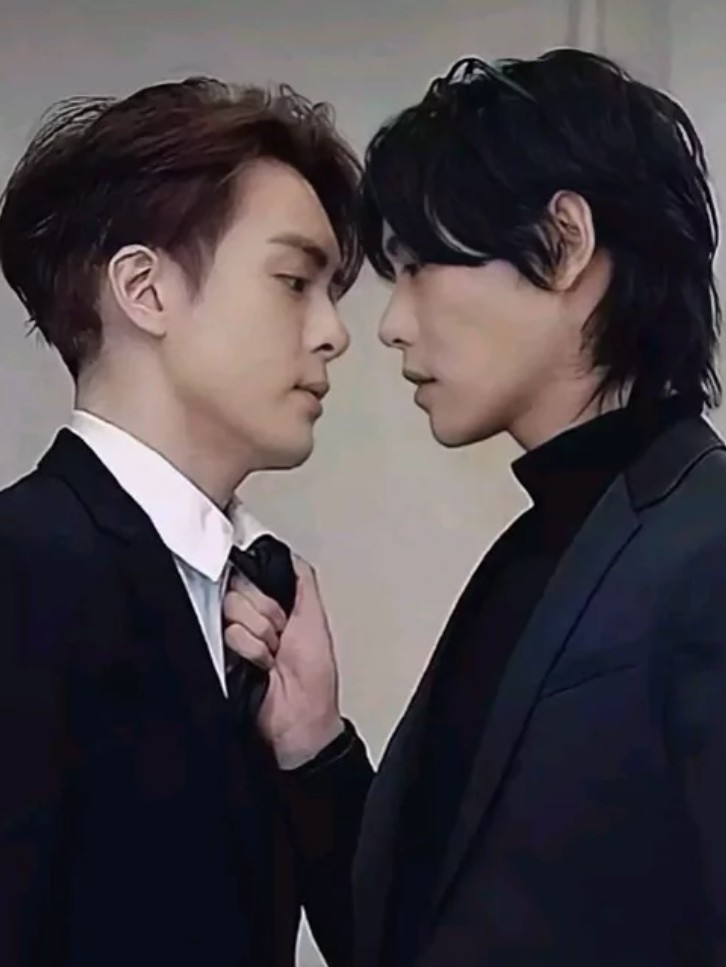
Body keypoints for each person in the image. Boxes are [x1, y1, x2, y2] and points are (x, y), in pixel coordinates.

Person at [227, 48, 726, 966]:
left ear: (564, 243)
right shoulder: (535, 550)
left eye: (420, 266)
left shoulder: (705, 545)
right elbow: (413, 934)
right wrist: (313, 742)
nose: (391, 325)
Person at [0, 76, 373, 967]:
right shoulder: (22, 573)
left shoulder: (255, 598)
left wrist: (315, 751)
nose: (334, 332)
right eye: (294, 282)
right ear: (145, 289)